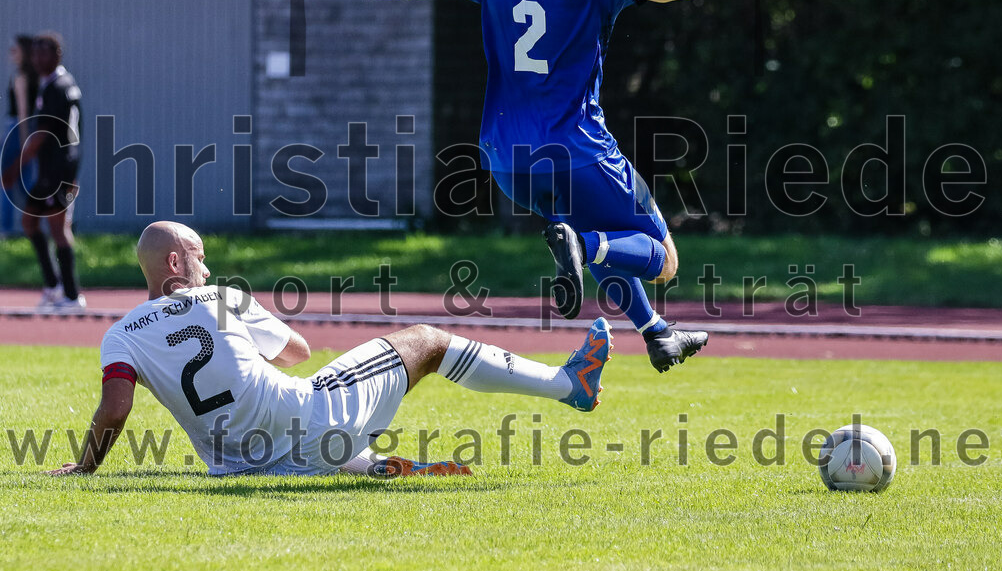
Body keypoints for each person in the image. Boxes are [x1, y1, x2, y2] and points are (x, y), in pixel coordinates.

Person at [303, 0, 757, 372]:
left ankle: (656, 332)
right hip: (577, 149)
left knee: (605, 238)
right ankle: (586, 249)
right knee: (659, 256)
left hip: (506, 160)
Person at [48, 221, 612, 477]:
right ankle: (570, 385)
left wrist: (86, 467)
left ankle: (373, 465)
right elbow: (297, 351)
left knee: (310, 430)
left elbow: (116, 409)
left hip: (239, 467)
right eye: (198, 255)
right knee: (429, 342)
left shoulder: (120, 334)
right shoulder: (219, 297)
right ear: (175, 264)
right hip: (307, 421)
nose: (207, 265)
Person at [1, 32, 85, 311]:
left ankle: (72, 296)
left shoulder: (58, 86)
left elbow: (43, 134)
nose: (37, 59)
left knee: (58, 229)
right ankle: (53, 286)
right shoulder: (53, 84)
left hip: (59, 169)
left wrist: (15, 166)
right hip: (51, 169)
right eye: (34, 53)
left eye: (43, 53)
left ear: (57, 55)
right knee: (29, 222)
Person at [1, 35, 38, 237]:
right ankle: (33, 227)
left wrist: (25, 141)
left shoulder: (21, 77)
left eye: (14, 50)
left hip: (17, 130)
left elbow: (22, 112)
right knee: (27, 181)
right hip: (24, 130)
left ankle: (5, 229)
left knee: (7, 181)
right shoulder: (33, 77)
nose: (11, 54)